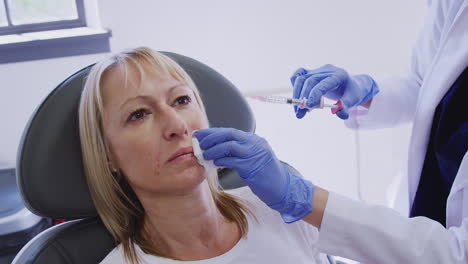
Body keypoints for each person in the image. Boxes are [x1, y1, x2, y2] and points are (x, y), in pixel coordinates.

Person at [195, 0, 468, 263]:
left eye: (182, 100)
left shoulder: (267, 219)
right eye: (148, 112)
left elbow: (456, 254)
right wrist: (364, 93)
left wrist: (303, 199)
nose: (174, 124)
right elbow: (425, 82)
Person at [78, 47, 329, 264]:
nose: (177, 126)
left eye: (181, 100)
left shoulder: (283, 208)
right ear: (107, 155)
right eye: (139, 114)